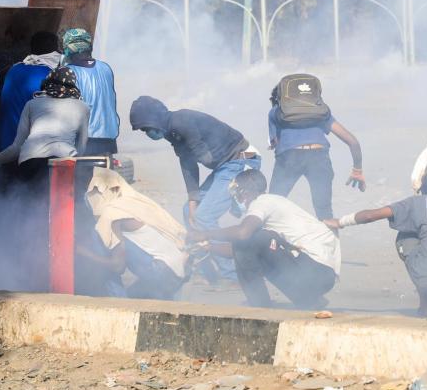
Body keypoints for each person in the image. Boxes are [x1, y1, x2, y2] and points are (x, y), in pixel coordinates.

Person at [326, 157, 427, 320]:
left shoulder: (417, 203)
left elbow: (370, 216)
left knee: (405, 235)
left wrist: (340, 222)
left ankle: (426, 305)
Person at [0, 66, 89, 291]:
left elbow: (16, 147)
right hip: (64, 167)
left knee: (27, 220)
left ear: (47, 84)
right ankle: (58, 278)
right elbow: (82, 148)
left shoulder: (32, 104)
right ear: (74, 86)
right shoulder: (83, 107)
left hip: (30, 163)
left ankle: (22, 277)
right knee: (61, 224)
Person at [129, 95, 260, 281]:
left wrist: (190, 145)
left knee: (204, 215)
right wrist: (193, 200)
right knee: (189, 211)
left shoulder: (181, 121)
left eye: (146, 128)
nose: (147, 133)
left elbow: (204, 158)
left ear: (155, 120)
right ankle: (207, 261)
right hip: (225, 165)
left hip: (242, 158)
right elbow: (188, 164)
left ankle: (233, 275)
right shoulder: (171, 132)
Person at [187, 169, 339, 309]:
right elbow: (240, 250)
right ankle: (308, 300)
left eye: (238, 194)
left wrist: (206, 234)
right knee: (255, 244)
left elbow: (242, 234)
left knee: (254, 239)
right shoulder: (275, 203)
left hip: (314, 271)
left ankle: (260, 306)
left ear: (246, 192)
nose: (238, 199)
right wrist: (208, 248)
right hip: (323, 276)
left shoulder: (262, 202)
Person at [79, 167, 190, 300]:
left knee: (98, 236)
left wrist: (83, 253)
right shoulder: (134, 201)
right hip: (180, 268)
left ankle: (119, 303)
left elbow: (118, 266)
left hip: (162, 272)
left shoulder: (112, 214)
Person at [267, 82, 365, 220]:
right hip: (319, 157)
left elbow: (274, 143)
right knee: (324, 211)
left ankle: (270, 241)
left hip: (290, 157)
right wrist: (357, 170)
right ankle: (331, 241)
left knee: (272, 205)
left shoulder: (276, 112)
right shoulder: (319, 113)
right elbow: (352, 141)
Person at [0, 31, 62, 150]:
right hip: (34, 152)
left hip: (6, 147)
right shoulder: (50, 75)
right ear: (53, 52)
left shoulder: (13, 70)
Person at [62, 28, 120, 156]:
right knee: (103, 175)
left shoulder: (67, 71)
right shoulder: (105, 67)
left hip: (83, 139)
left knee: (79, 176)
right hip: (108, 138)